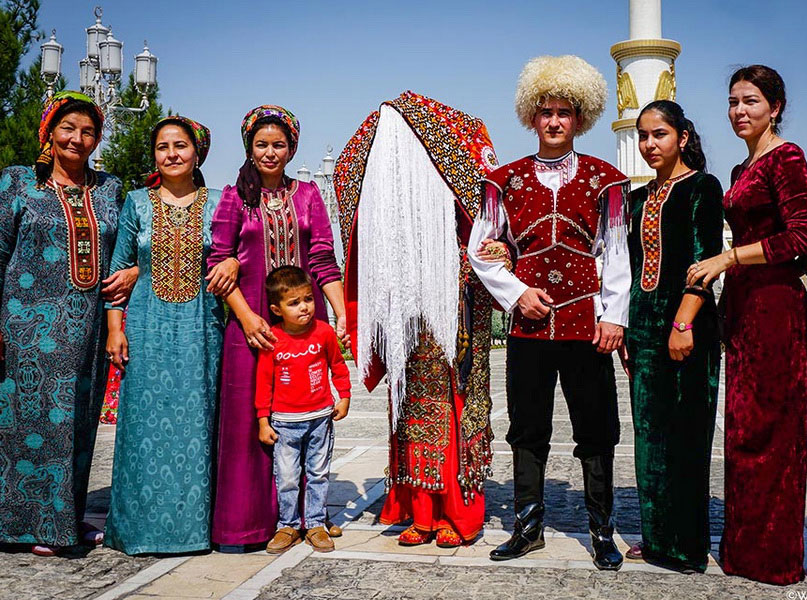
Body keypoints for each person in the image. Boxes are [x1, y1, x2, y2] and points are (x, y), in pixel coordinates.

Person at [469, 55, 631, 570]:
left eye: (565, 112)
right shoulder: (504, 181)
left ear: (580, 118)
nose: (555, 121)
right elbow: (481, 248)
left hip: (587, 325)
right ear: (531, 118)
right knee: (527, 425)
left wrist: (614, 316)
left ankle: (602, 531)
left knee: (597, 426)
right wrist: (516, 293)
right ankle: (527, 526)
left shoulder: (606, 180)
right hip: (528, 326)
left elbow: (616, 252)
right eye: (546, 112)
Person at [334, 91, 498, 546]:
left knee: (454, 403)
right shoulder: (394, 220)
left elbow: (492, 224)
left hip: (454, 304)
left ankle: (457, 512)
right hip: (405, 304)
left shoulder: (458, 195)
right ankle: (420, 509)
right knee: (407, 407)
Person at [689, 65, 807, 585]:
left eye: (751, 102)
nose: (739, 111)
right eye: (734, 102)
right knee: (742, 431)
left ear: (776, 106)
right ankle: (742, 549)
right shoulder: (744, 168)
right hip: (742, 310)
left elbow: (801, 240)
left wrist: (727, 258)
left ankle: (772, 557)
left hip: (776, 308)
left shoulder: (786, 158)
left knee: (772, 433)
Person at [0, 91, 137, 555]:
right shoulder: (18, 184)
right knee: (30, 425)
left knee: (78, 425)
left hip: (90, 326)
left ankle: (63, 520)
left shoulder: (109, 188)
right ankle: (33, 527)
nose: (78, 139)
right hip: (26, 326)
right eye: (68, 128)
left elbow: (135, 244)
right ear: (49, 133)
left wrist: (135, 271)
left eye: (88, 131)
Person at [209, 105, 347, 549]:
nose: (270, 152)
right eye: (262, 144)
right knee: (252, 427)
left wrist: (341, 312)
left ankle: (312, 517)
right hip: (249, 330)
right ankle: (251, 523)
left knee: (309, 421)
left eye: (279, 144)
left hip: (305, 330)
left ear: (292, 149)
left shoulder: (308, 195)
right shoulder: (234, 197)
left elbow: (324, 259)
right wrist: (247, 318)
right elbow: (217, 260)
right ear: (249, 146)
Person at [103, 115, 224, 555]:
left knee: (199, 425)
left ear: (197, 154)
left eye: (180, 146)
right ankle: (139, 530)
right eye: (162, 147)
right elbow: (117, 273)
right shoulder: (136, 203)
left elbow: (234, 256)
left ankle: (194, 530)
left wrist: (231, 265)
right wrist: (115, 329)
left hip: (202, 329)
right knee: (142, 429)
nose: (171, 154)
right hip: (146, 327)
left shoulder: (219, 203)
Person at [623, 100, 723, 573]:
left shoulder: (702, 187)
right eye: (643, 135)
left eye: (659, 134)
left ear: (682, 136)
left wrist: (682, 323)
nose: (648, 144)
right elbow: (630, 268)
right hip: (643, 328)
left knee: (685, 433)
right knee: (649, 436)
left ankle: (685, 545)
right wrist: (627, 330)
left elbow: (704, 258)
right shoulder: (639, 199)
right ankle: (655, 535)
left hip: (686, 325)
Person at [255, 266, 350, 554]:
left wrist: (343, 397)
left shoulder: (324, 332)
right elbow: (264, 382)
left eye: (308, 299)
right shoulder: (272, 339)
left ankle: (316, 525)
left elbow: (338, 366)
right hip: (284, 423)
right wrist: (263, 420)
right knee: (286, 477)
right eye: (294, 303)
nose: (304, 307)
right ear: (277, 308)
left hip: (320, 419)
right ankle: (288, 525)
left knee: (318, 473)